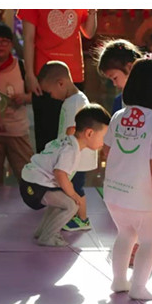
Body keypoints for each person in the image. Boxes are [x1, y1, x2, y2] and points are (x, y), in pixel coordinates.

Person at [102, 57, 152, 301]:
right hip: (140, 196)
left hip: (113, 192)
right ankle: (139, 288)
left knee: (124, 234)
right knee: (150, 240)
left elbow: (106, 150)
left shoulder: (118, 116)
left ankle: (119, 281)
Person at [95, 39, 152, 196]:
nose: (114, 84)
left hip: (151, 189)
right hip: (125, 187)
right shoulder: (119, 104)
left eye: (114, 78)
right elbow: (111, 146)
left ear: (130, 67)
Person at [20, 105, 109, 247]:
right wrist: (74, 194)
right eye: (104, 137)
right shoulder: (71, 150)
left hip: (30, 181)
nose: (104, 142)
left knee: (61, 202)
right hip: (35, 185)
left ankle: (42, 232)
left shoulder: (66, 141)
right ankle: (48, 236)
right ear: (89, 133)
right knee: (71, 205)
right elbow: (60, 173)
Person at [17, 9, 97, 153]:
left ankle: (70, 168)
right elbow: (28, 38)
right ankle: (47, 168)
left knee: (75, 133)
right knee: (47, 136)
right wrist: (29, 74)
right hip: (46, 78)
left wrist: (92, 11)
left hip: (73, 76)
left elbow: (88, 33)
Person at [36, 61, 94, 232]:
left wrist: (61, 152)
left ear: (61, 83)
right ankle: (76, 215)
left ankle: (82, 219)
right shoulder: (73, 100)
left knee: (75, 187)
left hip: (75, 156)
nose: (52, 96)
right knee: (71, 186)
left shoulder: (75, 102)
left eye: (50, 92)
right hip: (72, 155)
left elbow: (71, 130)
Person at [0, 22, 33, 190]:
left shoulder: (22, 67)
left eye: (4, 41)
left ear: (11, 44)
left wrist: (24, 98)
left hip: (17, 131)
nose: (0, 45)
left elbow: (36, 94)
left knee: (28, 178)